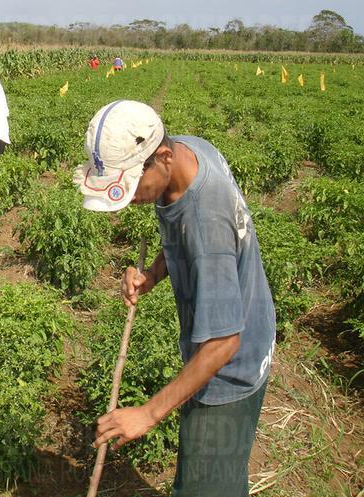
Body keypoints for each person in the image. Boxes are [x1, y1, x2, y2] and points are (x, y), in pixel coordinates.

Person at [73, 100, 276, 496]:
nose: (130, 198)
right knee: (210, 474)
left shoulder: (207, 225)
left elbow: (222, 344)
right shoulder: (189, 151)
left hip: (229, 372)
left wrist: (147, 413)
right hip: (243, 322)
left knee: (208, 485)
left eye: (133, 185)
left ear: (161, 157)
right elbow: (181, 225)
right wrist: (153, 273)